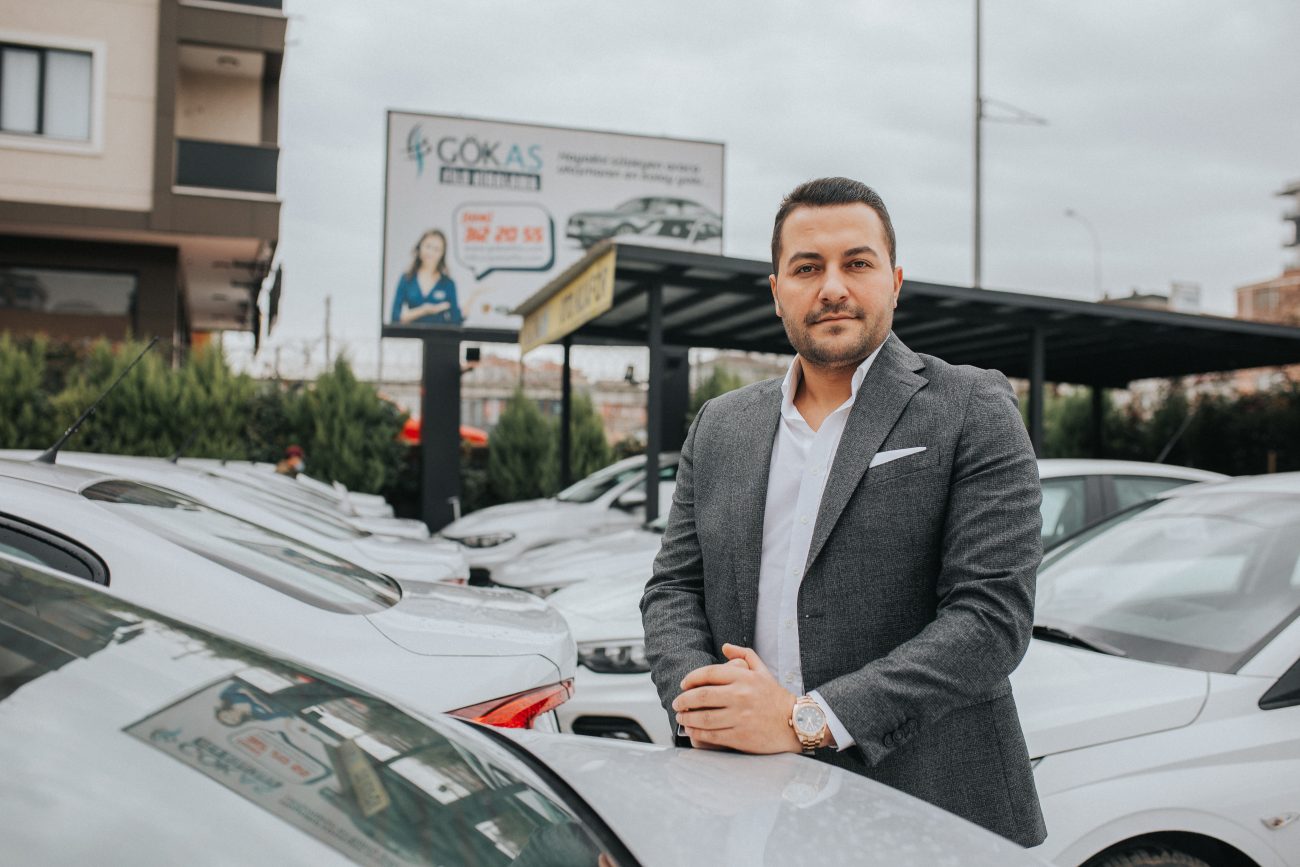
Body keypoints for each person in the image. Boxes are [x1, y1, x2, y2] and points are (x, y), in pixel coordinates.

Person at [640, 177, 1046, 847]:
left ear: (895, 281)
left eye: (857, 263)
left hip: (927, 809)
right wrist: (705, 705)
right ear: (777, 291)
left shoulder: (972, 407)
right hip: (745, 801)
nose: (832, 287)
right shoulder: (720, 424)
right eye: (807, 268)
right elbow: (673, 588)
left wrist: (807, 720)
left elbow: (990, 620)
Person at [390, 229, 463, 326]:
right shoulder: (407, 278)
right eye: (428, 246)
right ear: (420, 247)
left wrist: (464, 312)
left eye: (436, 249)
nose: (431, 252)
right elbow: (395, 317)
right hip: (413, 334)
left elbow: (455, 322)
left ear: (442, 254)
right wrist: (424, 310)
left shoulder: (448, 283)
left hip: (438, 334)